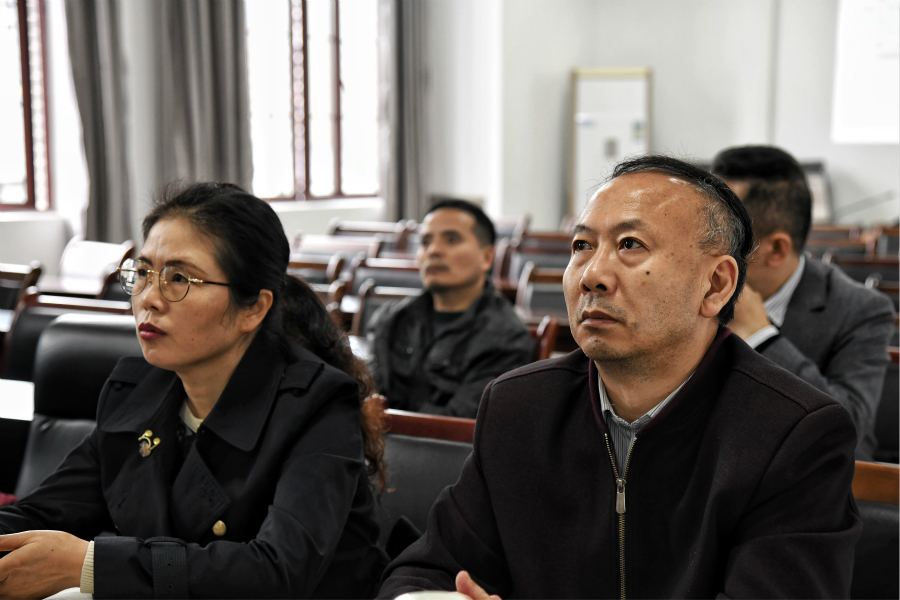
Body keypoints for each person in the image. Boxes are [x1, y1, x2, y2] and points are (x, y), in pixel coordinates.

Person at [378, 156, 861, 599]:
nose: (592, 275)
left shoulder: (794, 435)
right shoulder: (520, 405)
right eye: (582, 246)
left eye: (630, 245)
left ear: (716, 285)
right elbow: (428, 569)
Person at [0, 183, 388, 598]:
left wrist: (93, 565)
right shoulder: (136, 391)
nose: (149, 299)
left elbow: (277, 573)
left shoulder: (317, 406)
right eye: (143, 273)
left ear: (254, 308)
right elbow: (45, 512)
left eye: (179, 278)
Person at [712, 145, 895, 460]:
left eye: (719, 236)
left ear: (776, 250)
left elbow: (848, 427)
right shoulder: (690, 289)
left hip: (799, 473)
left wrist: (762, 337)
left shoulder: (861, 310)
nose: (701, 248)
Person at [366, 200, 534, 418]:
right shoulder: (391, 319)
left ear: (486, 257)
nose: (434, 250)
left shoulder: (506, 337)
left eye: (452, 239)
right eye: (425, 242)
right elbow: (368, 395)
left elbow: (460, 424)